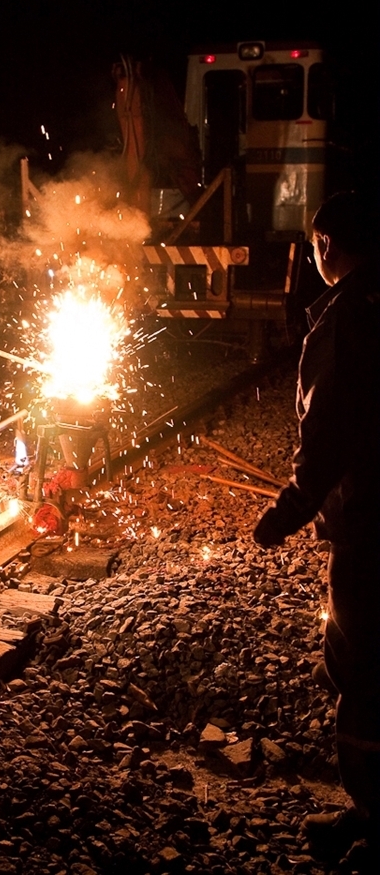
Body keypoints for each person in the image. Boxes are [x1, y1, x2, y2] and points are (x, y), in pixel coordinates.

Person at [254, 192, 380, 868]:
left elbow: (328, 437)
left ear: (328, 244)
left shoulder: (344, 322)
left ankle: (373, 819)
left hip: (369, 526)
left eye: (314, 246)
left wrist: (285, 514)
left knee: (362, 669)